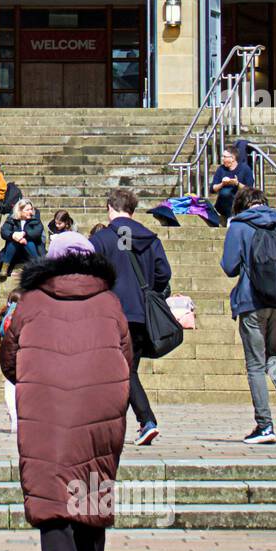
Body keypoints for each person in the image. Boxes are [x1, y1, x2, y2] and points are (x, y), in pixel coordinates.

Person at [0, 231, 130, 551]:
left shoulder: (31, 301)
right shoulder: (109, 301)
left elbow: (9, 355)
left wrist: (27, 376)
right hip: (101, 403)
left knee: (50, 487)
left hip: (48, 403)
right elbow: (126, 352)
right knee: (92, 481)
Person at [221, 186, 276, 444]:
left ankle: (264, 425)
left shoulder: (239, 225)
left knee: (256, 365)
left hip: (252, 300)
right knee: (272, 357)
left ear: (240, 205)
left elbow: (229, 267)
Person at [90, 189, 171, 447]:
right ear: (132, 210)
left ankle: (146, 420)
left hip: (109, 313)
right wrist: (147, 291)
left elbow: (89, 274)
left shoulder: (101, 239)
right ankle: (114, 425)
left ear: (109, 208)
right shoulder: (150, 238)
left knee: (122, 371)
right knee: (125, 369)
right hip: (139, 313)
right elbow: (163, 274)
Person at [0, 289, 22, 436]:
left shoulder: (4, 317)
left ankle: (14, 416)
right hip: (25, 360)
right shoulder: (27, 317)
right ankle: (18, 417)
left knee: (10, 389)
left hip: (8, 360)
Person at [0, 198, 45, 278]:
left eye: (31, 209)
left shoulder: (35, 218)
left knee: (28, 242)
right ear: (19, 211)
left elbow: (37, 232)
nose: (30, 212)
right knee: (13, 242)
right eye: (27, 210)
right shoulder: (12, 218)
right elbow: (4, 231)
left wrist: (23, 234)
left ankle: (38, 266)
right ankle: (4, 268)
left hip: (32, 250)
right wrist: (13, 235)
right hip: (15, 251)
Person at [210, 145, 255, 222]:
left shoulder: (245, 169)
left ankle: (233, 217)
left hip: (240, 201)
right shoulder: (221, 169)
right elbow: (212, 189)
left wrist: (237, 183)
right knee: (225, 192)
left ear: (232, 158)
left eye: (225, 157)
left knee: (231, 192)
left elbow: (250, 189)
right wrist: (222, 184)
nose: (222, 159)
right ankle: (230, 216)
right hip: (223, 202)